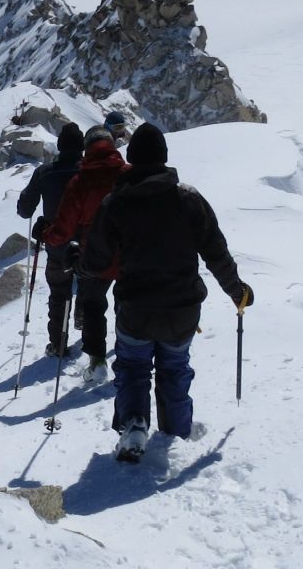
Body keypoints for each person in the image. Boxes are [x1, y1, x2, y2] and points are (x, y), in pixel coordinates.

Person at [80, 123, 254, 462]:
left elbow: (96, 260)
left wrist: (79, 262)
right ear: (164, 158)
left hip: (135, 307)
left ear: (131, 158)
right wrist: (237, 291)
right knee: (174, 368)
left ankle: (133, 426)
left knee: (132, 368)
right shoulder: (188, 198)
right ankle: (176, 431)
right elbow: (216, 252)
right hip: (182, 308)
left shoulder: (116, 203)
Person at [43, 126, 127, 383]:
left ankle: (97, 360)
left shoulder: (80, 181)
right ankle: (126, 359)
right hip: (128, 253)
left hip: (94, 254)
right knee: (126, 305)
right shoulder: (129, 174)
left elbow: (63, 227)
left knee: (93, 306)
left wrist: (45, 234)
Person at [17, 123, 83, 357]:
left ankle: (58, 343)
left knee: (59, 293)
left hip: (56, 243)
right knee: (89, 285)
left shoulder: (45, 173)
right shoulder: (89, 171)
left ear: (60, 146)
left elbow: (25, 209)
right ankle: (87, 324)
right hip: (87, 242)